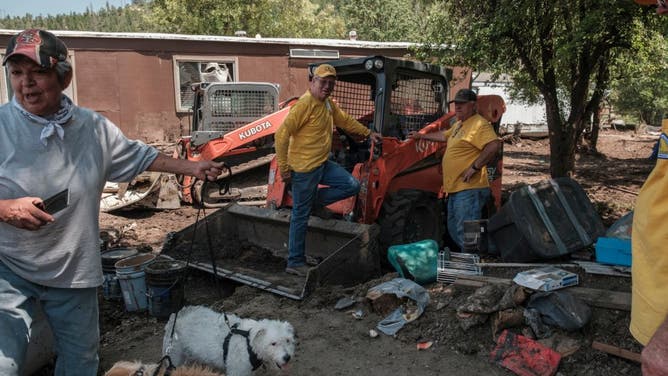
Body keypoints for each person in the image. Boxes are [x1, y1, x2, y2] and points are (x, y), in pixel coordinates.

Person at [0, 29, 224, 376]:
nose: (26, 84)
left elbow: (140, 155)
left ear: (64, 76)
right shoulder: (2, 126)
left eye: (38, 72)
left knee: (81, 364)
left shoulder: (92, 128)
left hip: (72, 272)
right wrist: (4, 208)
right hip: (10, 268)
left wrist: (194, 167)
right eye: (17, 73)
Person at [274, 63, 382, 277]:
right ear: (313, 82)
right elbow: (281, 135)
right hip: (304, 170)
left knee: (351, 185)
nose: (327, 87)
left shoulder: (328, 104)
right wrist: (285, 168)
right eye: (323, 82)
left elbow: (344, 120)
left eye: (331, 84)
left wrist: (367, 134)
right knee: (300, 216)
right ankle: (295, 261)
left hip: (322, 163)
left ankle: (314, 201)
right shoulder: (304, 105)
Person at [408, 88, 501, 250]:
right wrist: (421, 135)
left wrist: (474, 167)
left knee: (467, 232)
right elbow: (444, 135)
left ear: (473, 105)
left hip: (470, 188)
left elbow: (493, 145)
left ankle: (471, 265)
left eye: (462, 104)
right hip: (456, 188)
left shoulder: (479, 124)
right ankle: (476, 258)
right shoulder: (460, 124)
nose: (457, 107)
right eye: (456, 104)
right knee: (454, 228)